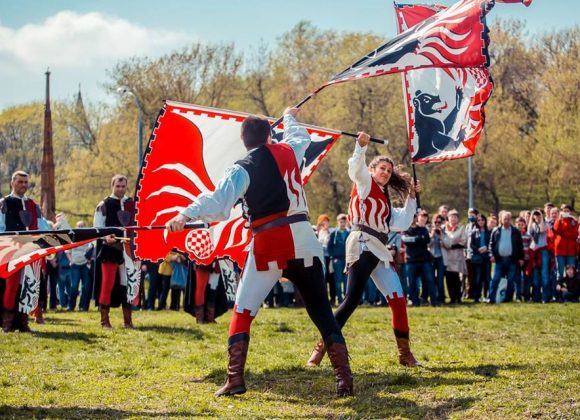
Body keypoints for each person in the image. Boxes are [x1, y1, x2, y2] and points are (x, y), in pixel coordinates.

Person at [165, 107, 353, 397]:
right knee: (322, 311)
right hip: (304, 238)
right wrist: (290, 115)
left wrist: (184, 214)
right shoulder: (291, 150)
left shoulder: (242, 167)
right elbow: (299, 135)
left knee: (242, 311)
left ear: (244, 140)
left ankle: (235, 379)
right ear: (270, 134)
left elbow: (218, 202)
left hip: (270, 241)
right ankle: (344, 378)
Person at [306, 131, 421, 369]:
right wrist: (360, 147)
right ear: (372, 170)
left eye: (389, 172)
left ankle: (405, 353)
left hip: (380, 248)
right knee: (351, 300)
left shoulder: (384, 199)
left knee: (399, 301)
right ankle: (320, 349)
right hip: (362, 243)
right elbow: (355, 169)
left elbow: (403, 222)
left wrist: (411, 196)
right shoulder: (365, 182)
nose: (386, 173)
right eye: (382, 169)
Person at [0, 171, 50, 332]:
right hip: (12, 251)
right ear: (12, 183)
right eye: (20, 182)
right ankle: (7, 322)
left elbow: (43, 227)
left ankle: (23, 321)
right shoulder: (4, 203)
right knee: (12, 285)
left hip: (31, 250)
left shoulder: (33, 205)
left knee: (30, 286)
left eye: (25, 182)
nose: (23, 185)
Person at [93, 174, 135, 328]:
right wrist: (105, 237)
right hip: (110, 250)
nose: (121, 189)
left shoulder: (132, 204)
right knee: (107, 284)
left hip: (128, 251)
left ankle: (128, 321)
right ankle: (105, 321)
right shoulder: (103, 204)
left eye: (123, 186)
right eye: (118, 186)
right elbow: (97, 228)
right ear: (112, 186)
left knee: (128, 285)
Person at [403, 211, 438, 306]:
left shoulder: (423, 229)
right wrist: (419, 238)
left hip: (424, 260)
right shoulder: (406, 230)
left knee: (430, 280)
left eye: (414, 217)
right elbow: (405, 240)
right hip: (411, 261)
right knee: (411, 282)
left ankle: (434, 301)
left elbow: (427, 240)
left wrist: (414, 239)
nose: (413, 219)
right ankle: (415, 302)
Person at [488, 211, 524, 304]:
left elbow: (520, 246)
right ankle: (491, 298)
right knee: (495, 280)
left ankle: (507, 299)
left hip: (512, 260)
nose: (507, 221)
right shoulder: (496, 231)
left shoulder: (515, 231)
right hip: (499, 260)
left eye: (509, 219)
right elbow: (491, 245)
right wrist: (491, 255)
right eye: (505, 219)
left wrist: (521, 258)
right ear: (501, 220)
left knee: (511, 281)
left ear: (511, 220)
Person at [441, 209, 467, 304]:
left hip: (456, 256)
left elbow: (464, 241)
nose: (453, 219)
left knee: (456, 277)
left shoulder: (461, 228)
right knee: (448, 278)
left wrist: (451, 246)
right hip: (446, 256)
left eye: (455, 217)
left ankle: (458, 297)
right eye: (451, 217)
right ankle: (452, 297)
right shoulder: (444, 228)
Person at [66, 221, 92, 311]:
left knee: (85, 286)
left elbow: (91, 249)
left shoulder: (87, 238)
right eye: (79, 226)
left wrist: (89, 260)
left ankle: (82, 306)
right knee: (74, 286)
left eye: (82, 226)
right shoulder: (73, 238)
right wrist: (71, 261)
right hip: (75, 265)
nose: (80, 227)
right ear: (76, 227)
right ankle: (71, 306)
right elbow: (67, 252)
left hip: (85, 265)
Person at [528, 209, 551, 303]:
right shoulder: (532, 225)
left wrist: (541, 216)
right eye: (535, 215)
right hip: (534, 251)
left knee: (544, 274)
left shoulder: (546, 224)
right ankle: (536, 297)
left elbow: (541, 230)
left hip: (543, 250)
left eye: (538, 215)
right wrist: (532, 215)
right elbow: (529, 231)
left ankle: (545, 297)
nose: (537, 217)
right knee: (535, 275)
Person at [553, 205, 578, 285]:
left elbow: (575, 234)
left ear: (570, 212)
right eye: (564, 210)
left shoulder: (574, 221)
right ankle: (558, 294)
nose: (566, 212)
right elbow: (556, 230)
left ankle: (571, 293)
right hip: (560, 250)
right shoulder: (559, 221)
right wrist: (559, 219)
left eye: (567, 211)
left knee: (571, 272)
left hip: (571, 251)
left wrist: (563, 233)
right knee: (559, 272)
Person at [468, 213, 491, 303]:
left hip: (486, 257)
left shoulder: (489, 232)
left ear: (485, 221)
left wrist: (486, 248)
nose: (481, 222)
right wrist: (478, 250)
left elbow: (491, 243)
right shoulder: (474, 232)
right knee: (477, 278)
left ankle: (486, 296)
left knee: (487, 278)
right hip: (477, 257)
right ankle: (477, 296)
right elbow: (471, 245)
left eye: (482, 220)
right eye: (479, 220)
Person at [327, 214, 349, 304]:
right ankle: (339, 299)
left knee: (346, 280)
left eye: (344, 222)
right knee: (338, 281)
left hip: (347, 260)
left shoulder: (349, 233)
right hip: (337, 261)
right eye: (341, 222)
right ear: (338, 222)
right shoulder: (334, 234)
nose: (342, 224)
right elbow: (329, 247)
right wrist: (333, 257)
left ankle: (346, 300)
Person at [316, 214, 336, 305]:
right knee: (323, 279)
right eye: (323, 221)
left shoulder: (332, 231)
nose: (325, 223)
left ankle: (332, 298)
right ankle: (324, 300)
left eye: (327, 221)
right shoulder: (318, 232)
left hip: (330, 258)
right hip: (322, 258)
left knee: (331, 278)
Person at [429, 214, 447, 304]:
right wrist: (432, 235)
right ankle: (433, 297)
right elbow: (427, 244)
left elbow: (447, 244)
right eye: (435, 222)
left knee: (440, 279)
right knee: (431, 278)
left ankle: (441, 298)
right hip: (431, 257)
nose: (437, 224)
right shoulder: (429, 231)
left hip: (441, 257)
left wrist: (441, 236)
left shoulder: (444, 231)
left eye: (439, 222)